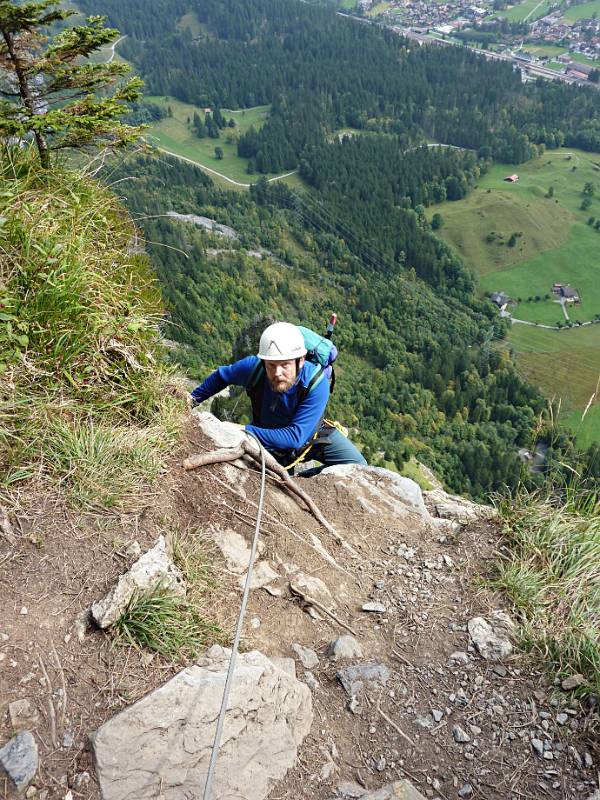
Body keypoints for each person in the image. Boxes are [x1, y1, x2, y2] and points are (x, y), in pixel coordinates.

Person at [190, 321, 367, 474]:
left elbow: (294, 436)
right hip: (269, 438)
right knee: (276, 481)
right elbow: (222, 376)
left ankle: (310, 480)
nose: (277, 373)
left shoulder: (316, 383)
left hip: (310, 438)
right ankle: (294, 478)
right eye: (271, 365)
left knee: (359, 466)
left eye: (285, 365)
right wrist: (191, 400)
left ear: (301, 361)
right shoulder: (255, 367)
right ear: (263, 362)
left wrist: (242, 429)